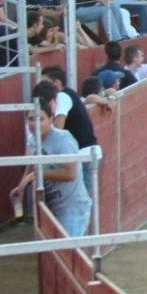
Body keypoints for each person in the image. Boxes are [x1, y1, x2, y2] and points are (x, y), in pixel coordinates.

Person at [10, 100, 92, 237]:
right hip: (54, 205)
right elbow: (32, 164)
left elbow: (70, 173)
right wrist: (21, 186)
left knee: (68, 253)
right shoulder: (34, 140)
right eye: (31, 119)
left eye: (40, 119)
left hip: (71, 208)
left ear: (51, 120)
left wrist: (38, 175)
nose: (34, 123)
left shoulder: (63, 140)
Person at [34, 67, 101, 199]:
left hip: (82, 155)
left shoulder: (61, 96)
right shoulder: (69, 94)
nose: (43, 86)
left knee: (80, 200)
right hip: (87, 152)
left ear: (57, 83)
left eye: (45, 82)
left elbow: (59, 127)